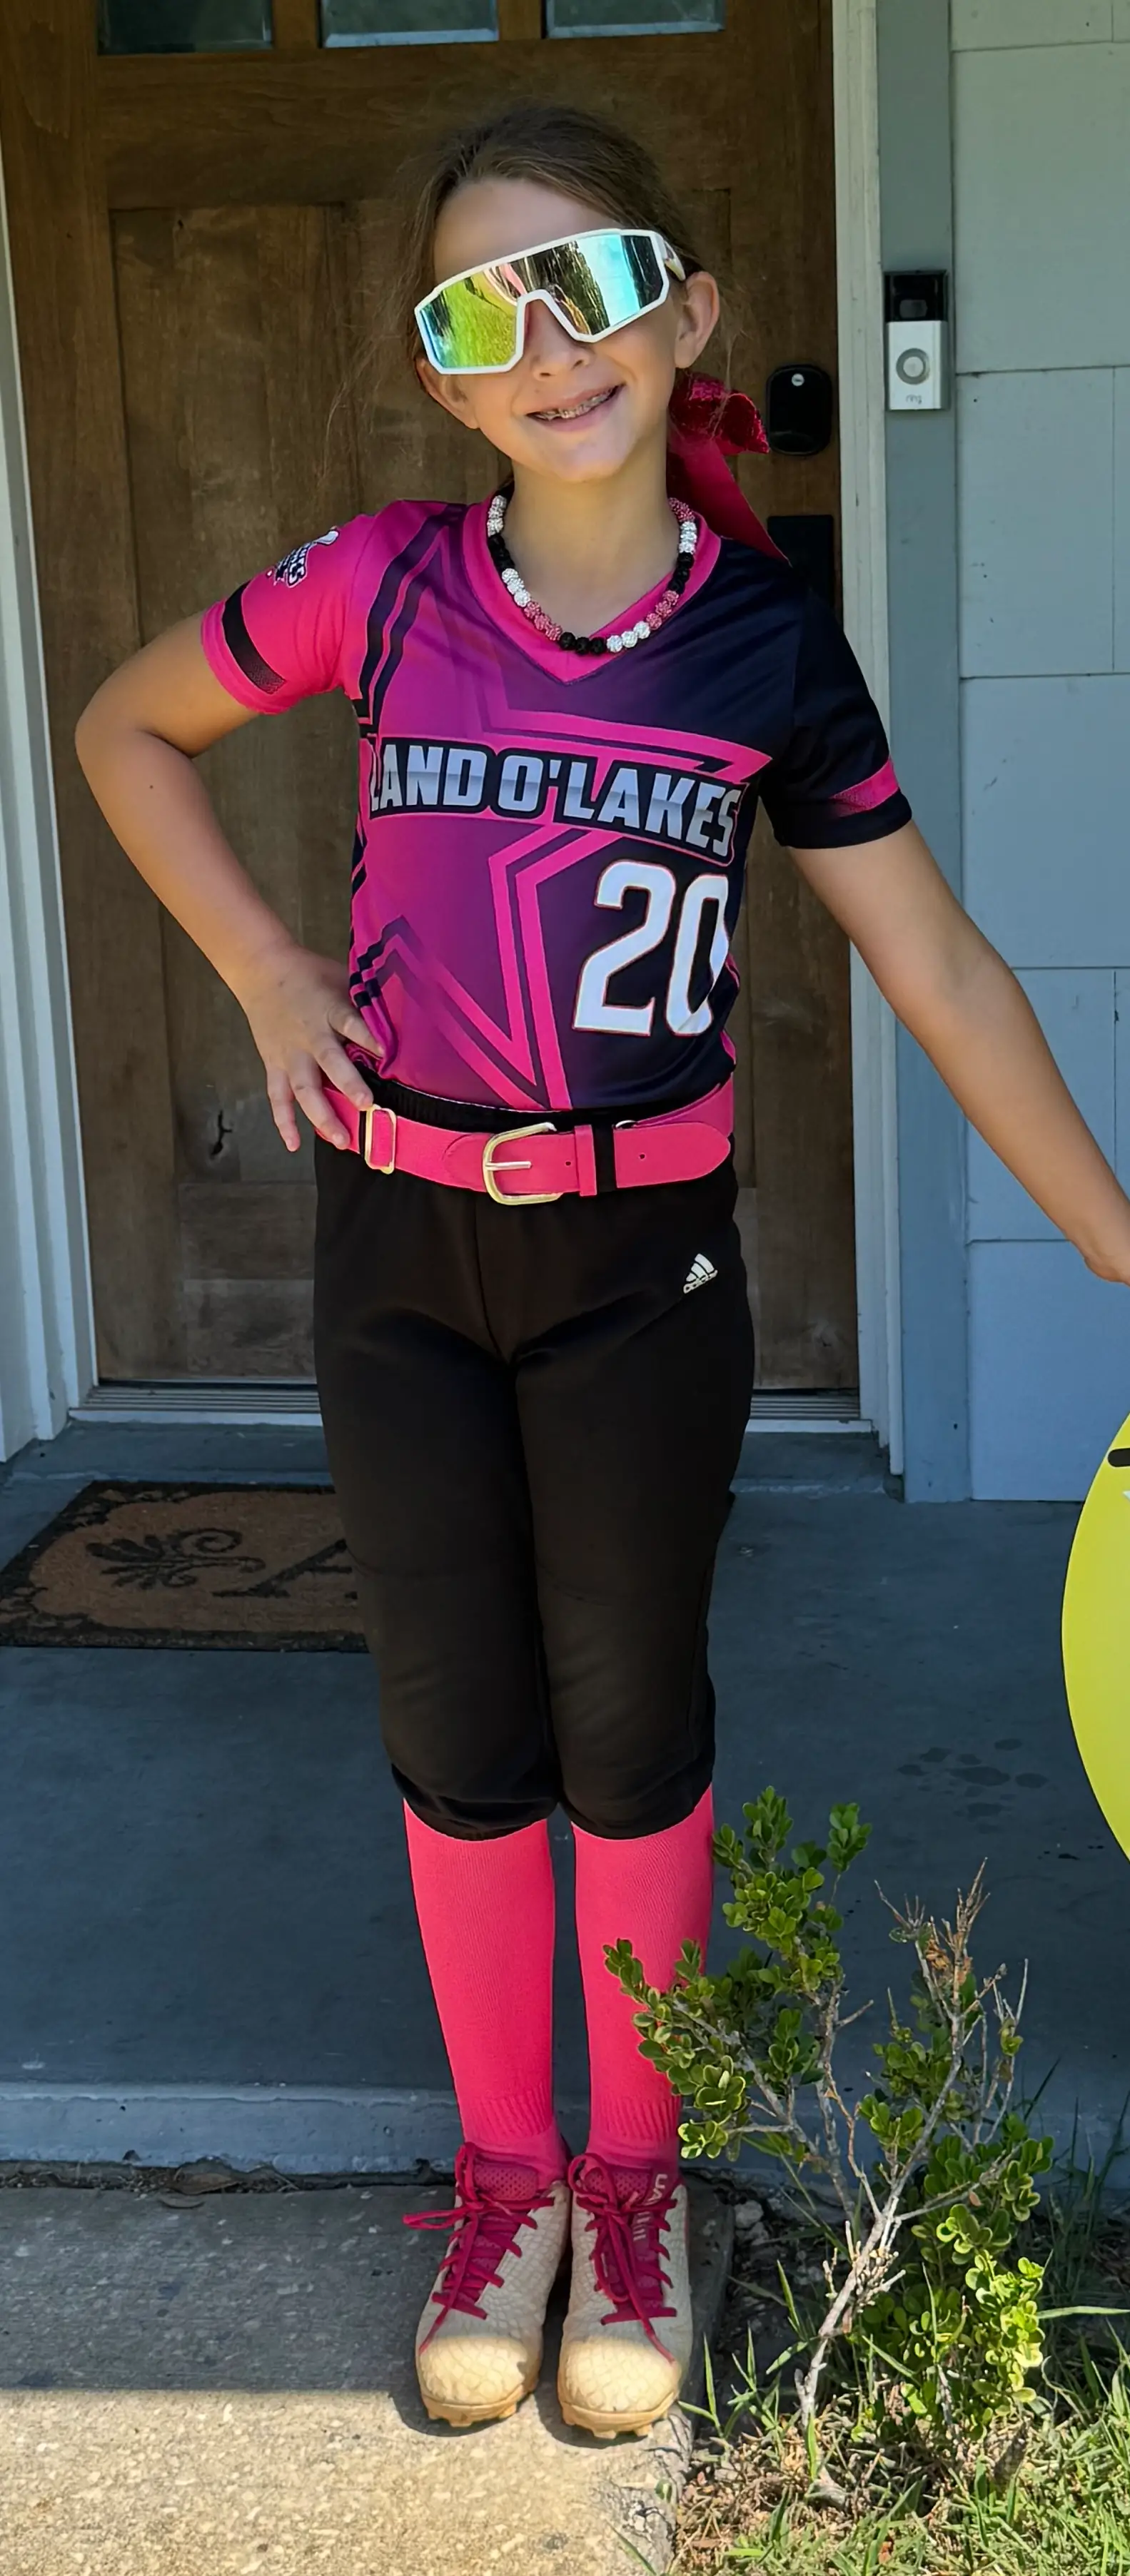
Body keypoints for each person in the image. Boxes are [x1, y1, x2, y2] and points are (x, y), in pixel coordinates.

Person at [76, 101, 1130, 2443]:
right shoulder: (380, 583)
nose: (550, 345)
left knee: (629, 1718)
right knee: (455, 1726)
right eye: (486, 308)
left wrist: (1115, 1244)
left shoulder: (764, 645)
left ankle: (629, 2185)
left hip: (638, 1268)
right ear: (442, 375)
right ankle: (505, 2177)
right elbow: (124, 726)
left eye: (596, 282)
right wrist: (261, 971)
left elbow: (941, 969)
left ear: (688, 312)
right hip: (394, 1248)